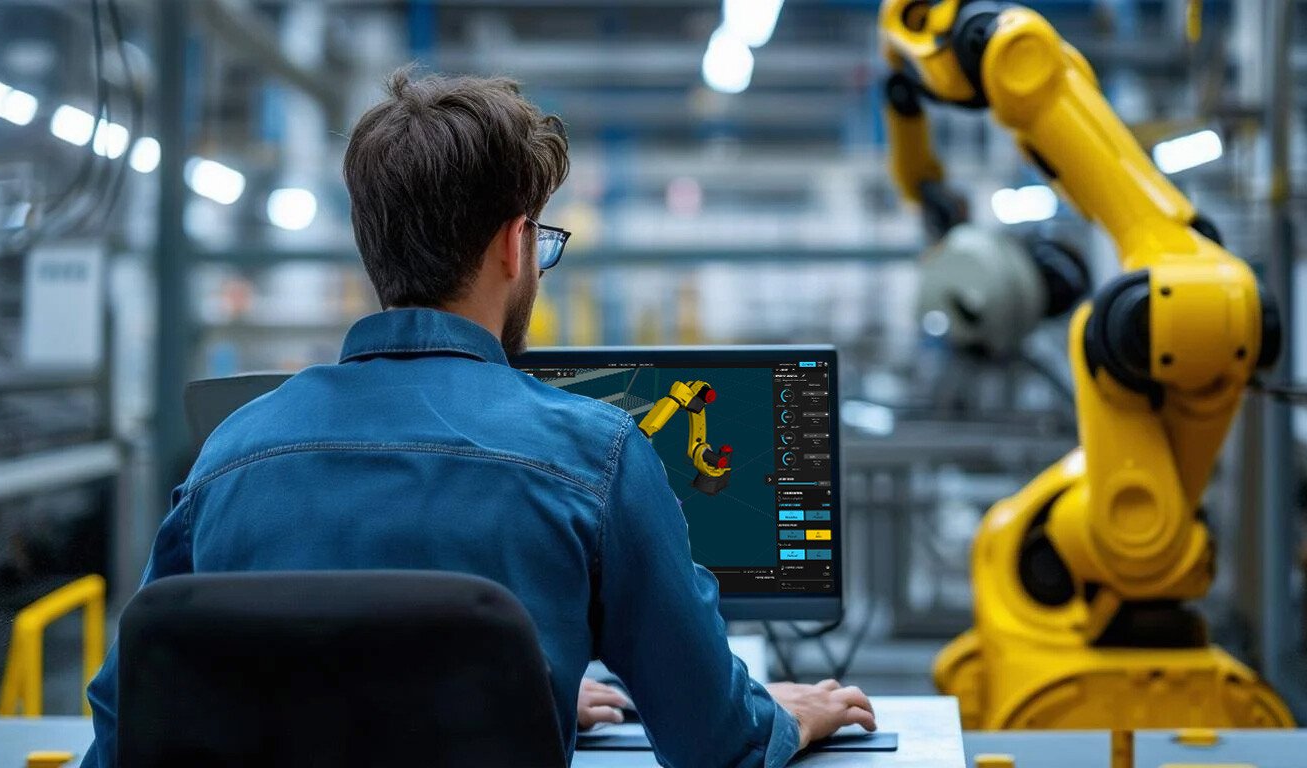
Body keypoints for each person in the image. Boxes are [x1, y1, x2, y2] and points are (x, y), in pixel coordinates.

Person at [81, 70, 874, 768]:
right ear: (515, 245)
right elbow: (714, 742)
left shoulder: (232, 453)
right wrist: (785, 717)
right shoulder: (595, 455)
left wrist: (505, 699)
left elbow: (130, 731)